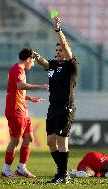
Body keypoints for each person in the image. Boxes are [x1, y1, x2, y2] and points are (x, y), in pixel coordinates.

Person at [33, 16, 78, 184]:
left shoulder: (71, 66)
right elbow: (45, 64)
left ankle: (63, 175)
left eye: (61, 50)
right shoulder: (54, 65)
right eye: (57, 50)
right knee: (50, 142)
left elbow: (66, 46)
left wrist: (58, 30)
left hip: (66, 108)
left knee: (61, 141)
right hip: (53, 108)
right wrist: (37, 57)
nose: (59, 52)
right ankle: (62, 172)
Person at [1, 48, 48, 179]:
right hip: (15, 111)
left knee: (29, 138)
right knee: (15, 140)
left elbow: (17, 91)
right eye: (33, 60)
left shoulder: (20, 70)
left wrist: (30, 98)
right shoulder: (17, 69)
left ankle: (21, 167)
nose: (34, 62)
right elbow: (21, 86)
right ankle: (6, 169)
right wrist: (40, 86)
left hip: (23, 110)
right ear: (28, 59)